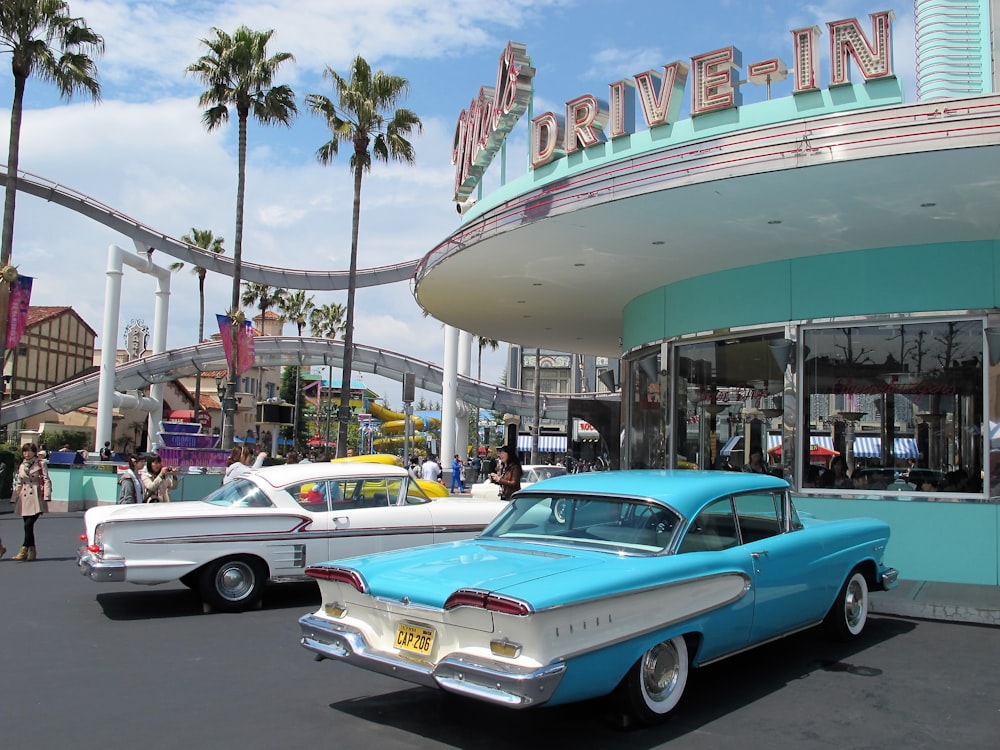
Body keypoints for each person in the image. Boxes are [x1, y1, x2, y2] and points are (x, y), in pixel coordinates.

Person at [10, 443, 52, 561]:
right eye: (24, 451)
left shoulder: (41, 463)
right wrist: (14, 497)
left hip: (36, 496)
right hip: (24, 498)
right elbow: (19, 482)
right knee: (28, 526)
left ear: (34, 452)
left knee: (28, 525)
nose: (26, 454)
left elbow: (46, 479)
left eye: (29, 451)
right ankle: (32, 550)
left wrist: (47, 495)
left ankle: (23, 549)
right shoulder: (22, 465)